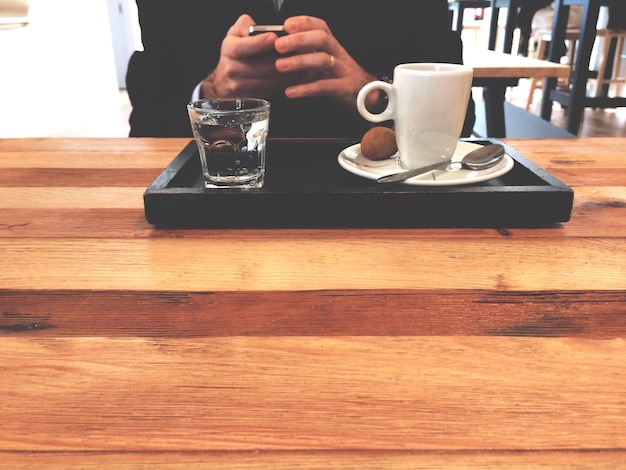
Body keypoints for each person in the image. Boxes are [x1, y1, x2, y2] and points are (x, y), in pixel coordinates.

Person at [126, 0, 475, 139]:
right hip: (205, 204)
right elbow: (146, 123)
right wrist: (211, 97)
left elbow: (458, 117)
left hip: (381, 205)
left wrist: (372, 93)